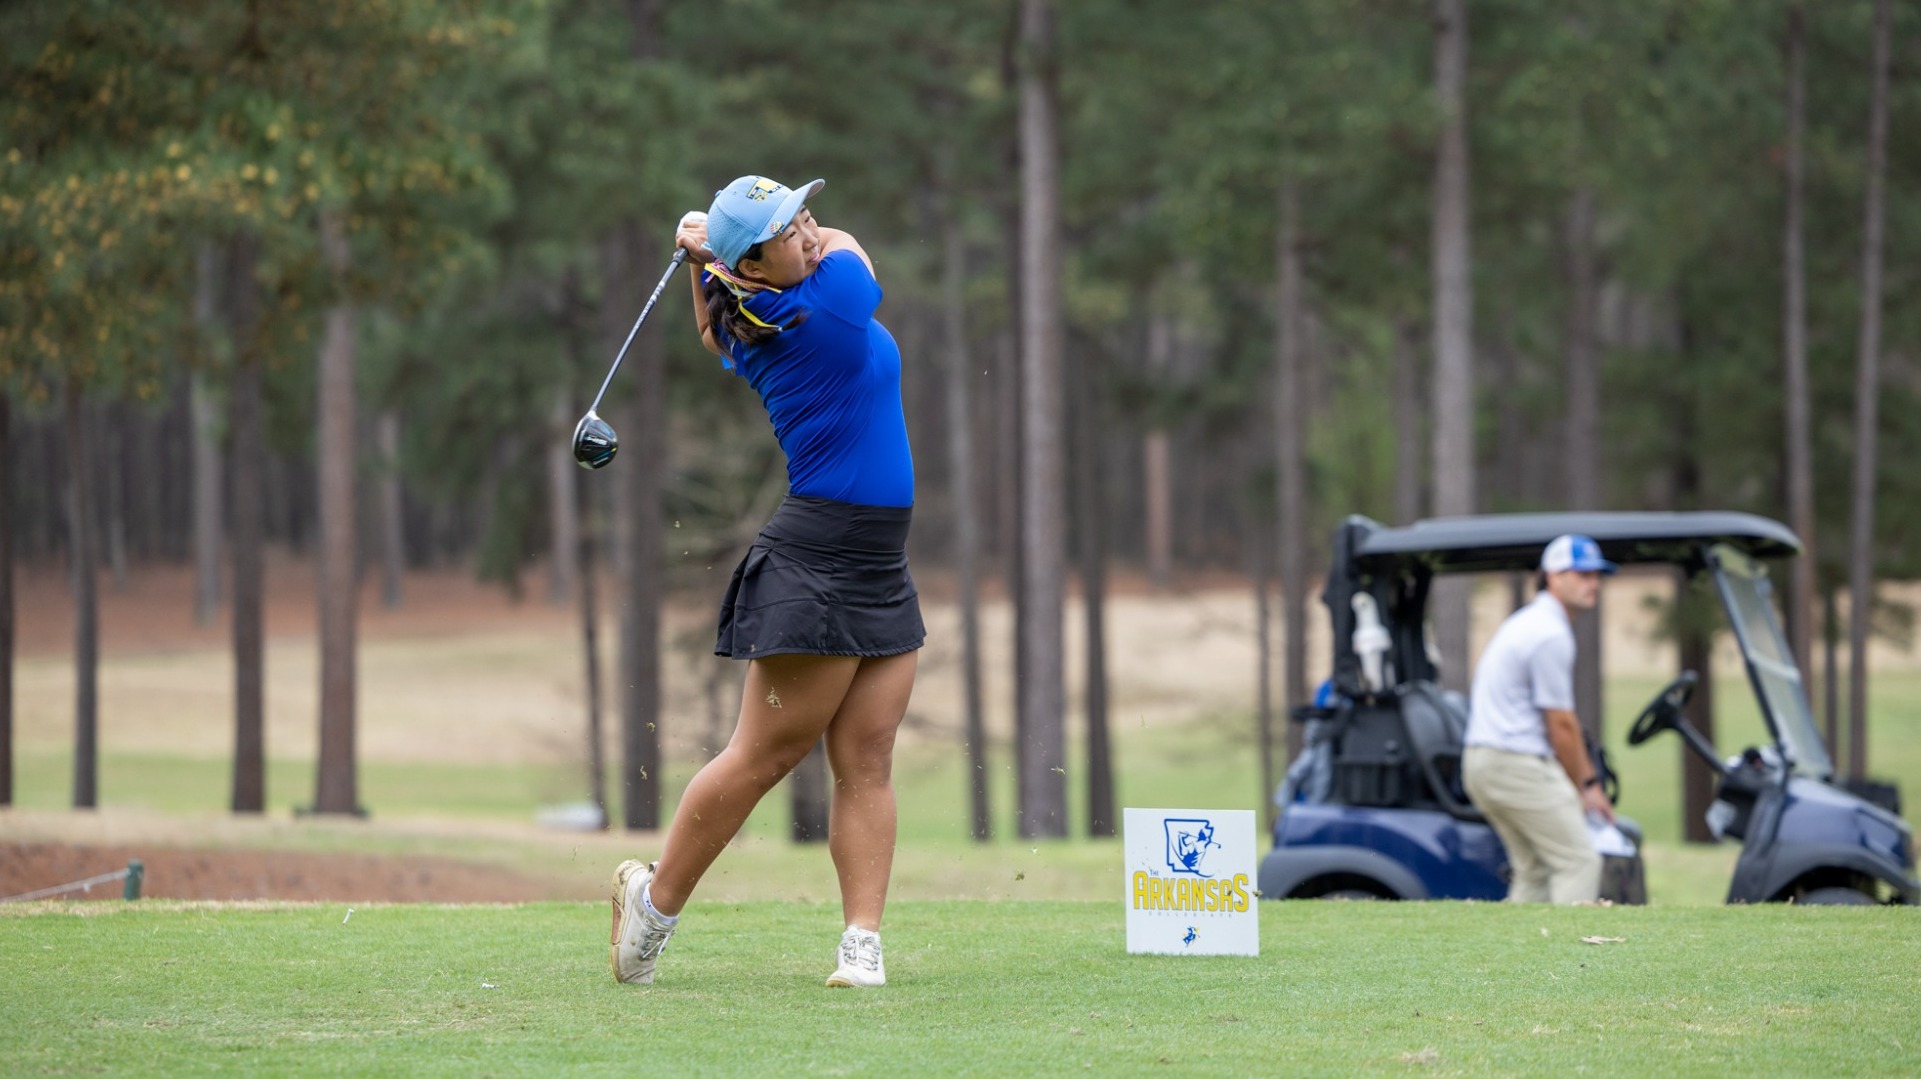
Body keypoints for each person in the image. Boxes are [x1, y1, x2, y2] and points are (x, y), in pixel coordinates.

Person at [608, 175, 921, 989]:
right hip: (818, 558)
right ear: (755, 260)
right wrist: (710, 253)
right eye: (790, 227)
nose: (812, 230)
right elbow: (854, 251)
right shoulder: (832, 300)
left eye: (807, 213)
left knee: (869, 755)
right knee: (762, 756)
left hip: (878, 558)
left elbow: (713, 329)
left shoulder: (752, 312)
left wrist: (704, 261)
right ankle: (655, 904)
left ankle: (861, 940)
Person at [1462, 533, 1617, 904]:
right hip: (1513, 761)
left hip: (1485, 761)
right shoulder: (1549, 633)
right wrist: (1587, 785)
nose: (1592, 583)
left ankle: (1516, 961)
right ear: (1552, 576)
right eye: (1581, 574)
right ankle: (1572, 960)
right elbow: (1561, 725)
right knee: (1578, 861)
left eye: (1596, 576)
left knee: (1533, 870)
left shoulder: (1531, 622)